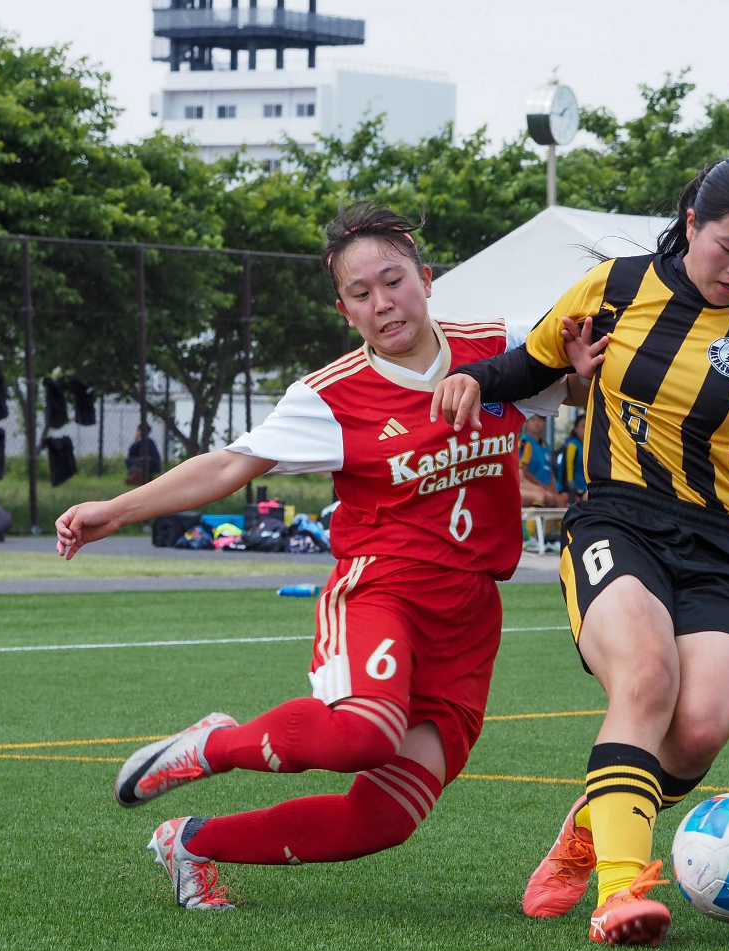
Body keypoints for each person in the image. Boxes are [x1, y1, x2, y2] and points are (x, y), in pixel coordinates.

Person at [55, 203, 587, 911]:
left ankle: (191, 842)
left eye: (393, 281)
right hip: (383, 591)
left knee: (386, 820)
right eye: (361, 295)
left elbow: (577, 383)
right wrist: (112, 512)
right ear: (346, 312)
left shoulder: (501, 346)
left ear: (427, 280)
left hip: (469, 617)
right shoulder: (330, 395)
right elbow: (228, 467)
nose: (382, 303)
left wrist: (582, 372)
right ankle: (213, 746)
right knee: (364, 733)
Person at [431, 155, 729, 946]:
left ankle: (586, 832)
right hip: (617, 522)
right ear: (694, 224)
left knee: (702, 727)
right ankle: (620, 893)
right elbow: (529, 363)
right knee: (645, 676)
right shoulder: (615, 287)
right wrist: (473, 377)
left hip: (716, 548)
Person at [518, 414, 567, 507]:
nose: (537, 423)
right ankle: (533, 521)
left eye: (540, 420)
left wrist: (554, 489)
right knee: (545, 497)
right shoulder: (525, 443)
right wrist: (543, 487)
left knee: (563, 498)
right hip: (533, 487)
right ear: (526, 422)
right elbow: (523, 472)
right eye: (533, 420)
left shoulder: (546, 446)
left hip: (545, 487)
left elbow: (550, 472)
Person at [557, 413, 588, 502]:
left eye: (588, 425)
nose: (586, 429)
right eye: (583, 426)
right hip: (574, 489)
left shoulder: (590, 446)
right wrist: (569, 490)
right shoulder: (573, 446)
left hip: (585, 487)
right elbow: (567, 469)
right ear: (576, 429)